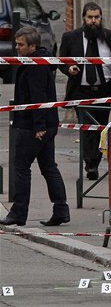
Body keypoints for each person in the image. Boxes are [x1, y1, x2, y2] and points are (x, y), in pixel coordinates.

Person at [0, 27, 69, 227]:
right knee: (49, 167)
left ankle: (18, 213)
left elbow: (38, 96)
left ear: (33, 46)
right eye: (17, 43)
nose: (16, 47)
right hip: (46, 123)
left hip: (33, 125)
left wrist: (39, 126)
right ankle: (61, 209)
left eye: (21, 44)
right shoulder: (39, 61)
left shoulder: (35, 65)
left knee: (21, 167)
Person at [59, 2, 111, 180]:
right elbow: (61, 60)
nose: (93, 21)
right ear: (84, 18)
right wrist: (69, 69)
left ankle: (94, 159)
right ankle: (91, 165)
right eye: (90, 17)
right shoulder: (70, 37)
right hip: (82, 90)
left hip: (105, 90)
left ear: (101, 18)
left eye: (97, 17)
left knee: (101, 127)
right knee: (88, 128)